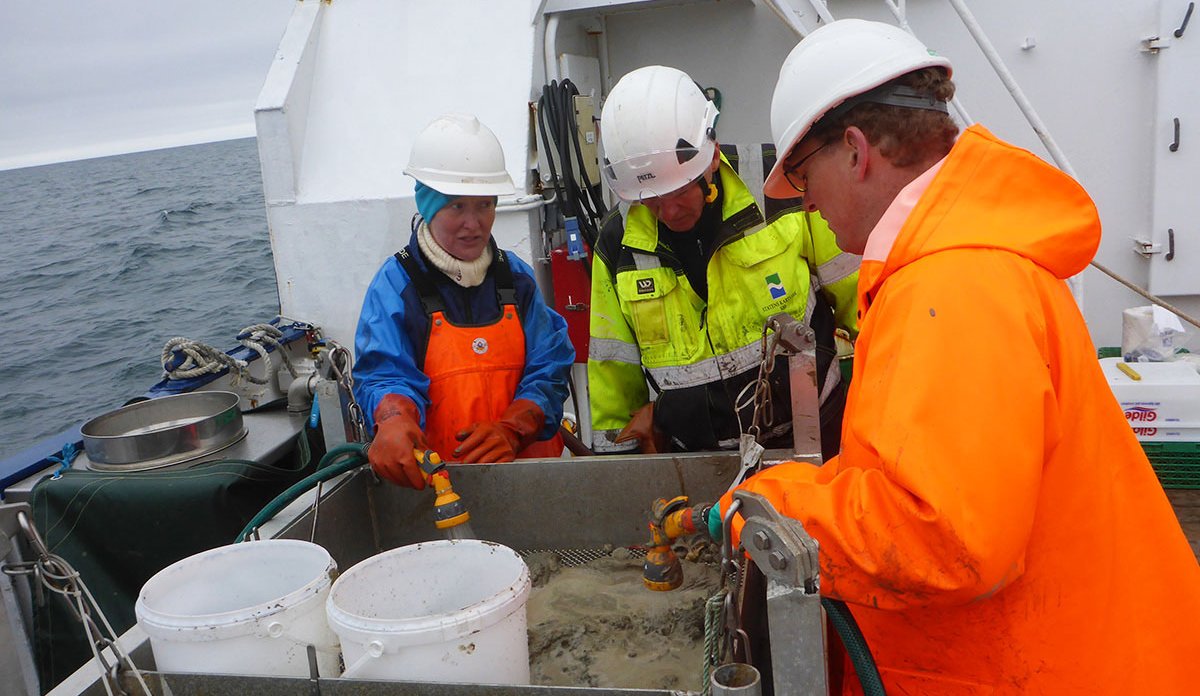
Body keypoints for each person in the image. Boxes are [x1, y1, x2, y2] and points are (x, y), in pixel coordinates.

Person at [718, 19, 1200, 693]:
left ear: (856, 151)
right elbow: (928, 482)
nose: (805, 201)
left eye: (802, 172)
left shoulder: (952, 283)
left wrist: (771, 507)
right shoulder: (966, 261)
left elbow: (942, 539)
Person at [588, 65, 859, 458]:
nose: (668, 211)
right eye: (649, 199)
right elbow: (612, 370)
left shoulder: (781, 189)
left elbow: (864, 301)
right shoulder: (617, 247)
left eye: (679, 190)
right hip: (700, 462)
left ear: (711, 156)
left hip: (818, 440)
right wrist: (618, 465)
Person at [352, 113, 574, 489]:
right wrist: (393, 417)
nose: (474, 224)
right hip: (442, 490)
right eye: (457, 206)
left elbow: (549, 367)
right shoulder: (395, 285)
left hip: (534, 486)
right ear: (428, 204)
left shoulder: (515, 277)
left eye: (484, 205)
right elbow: (384, 373)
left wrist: (513, 428)